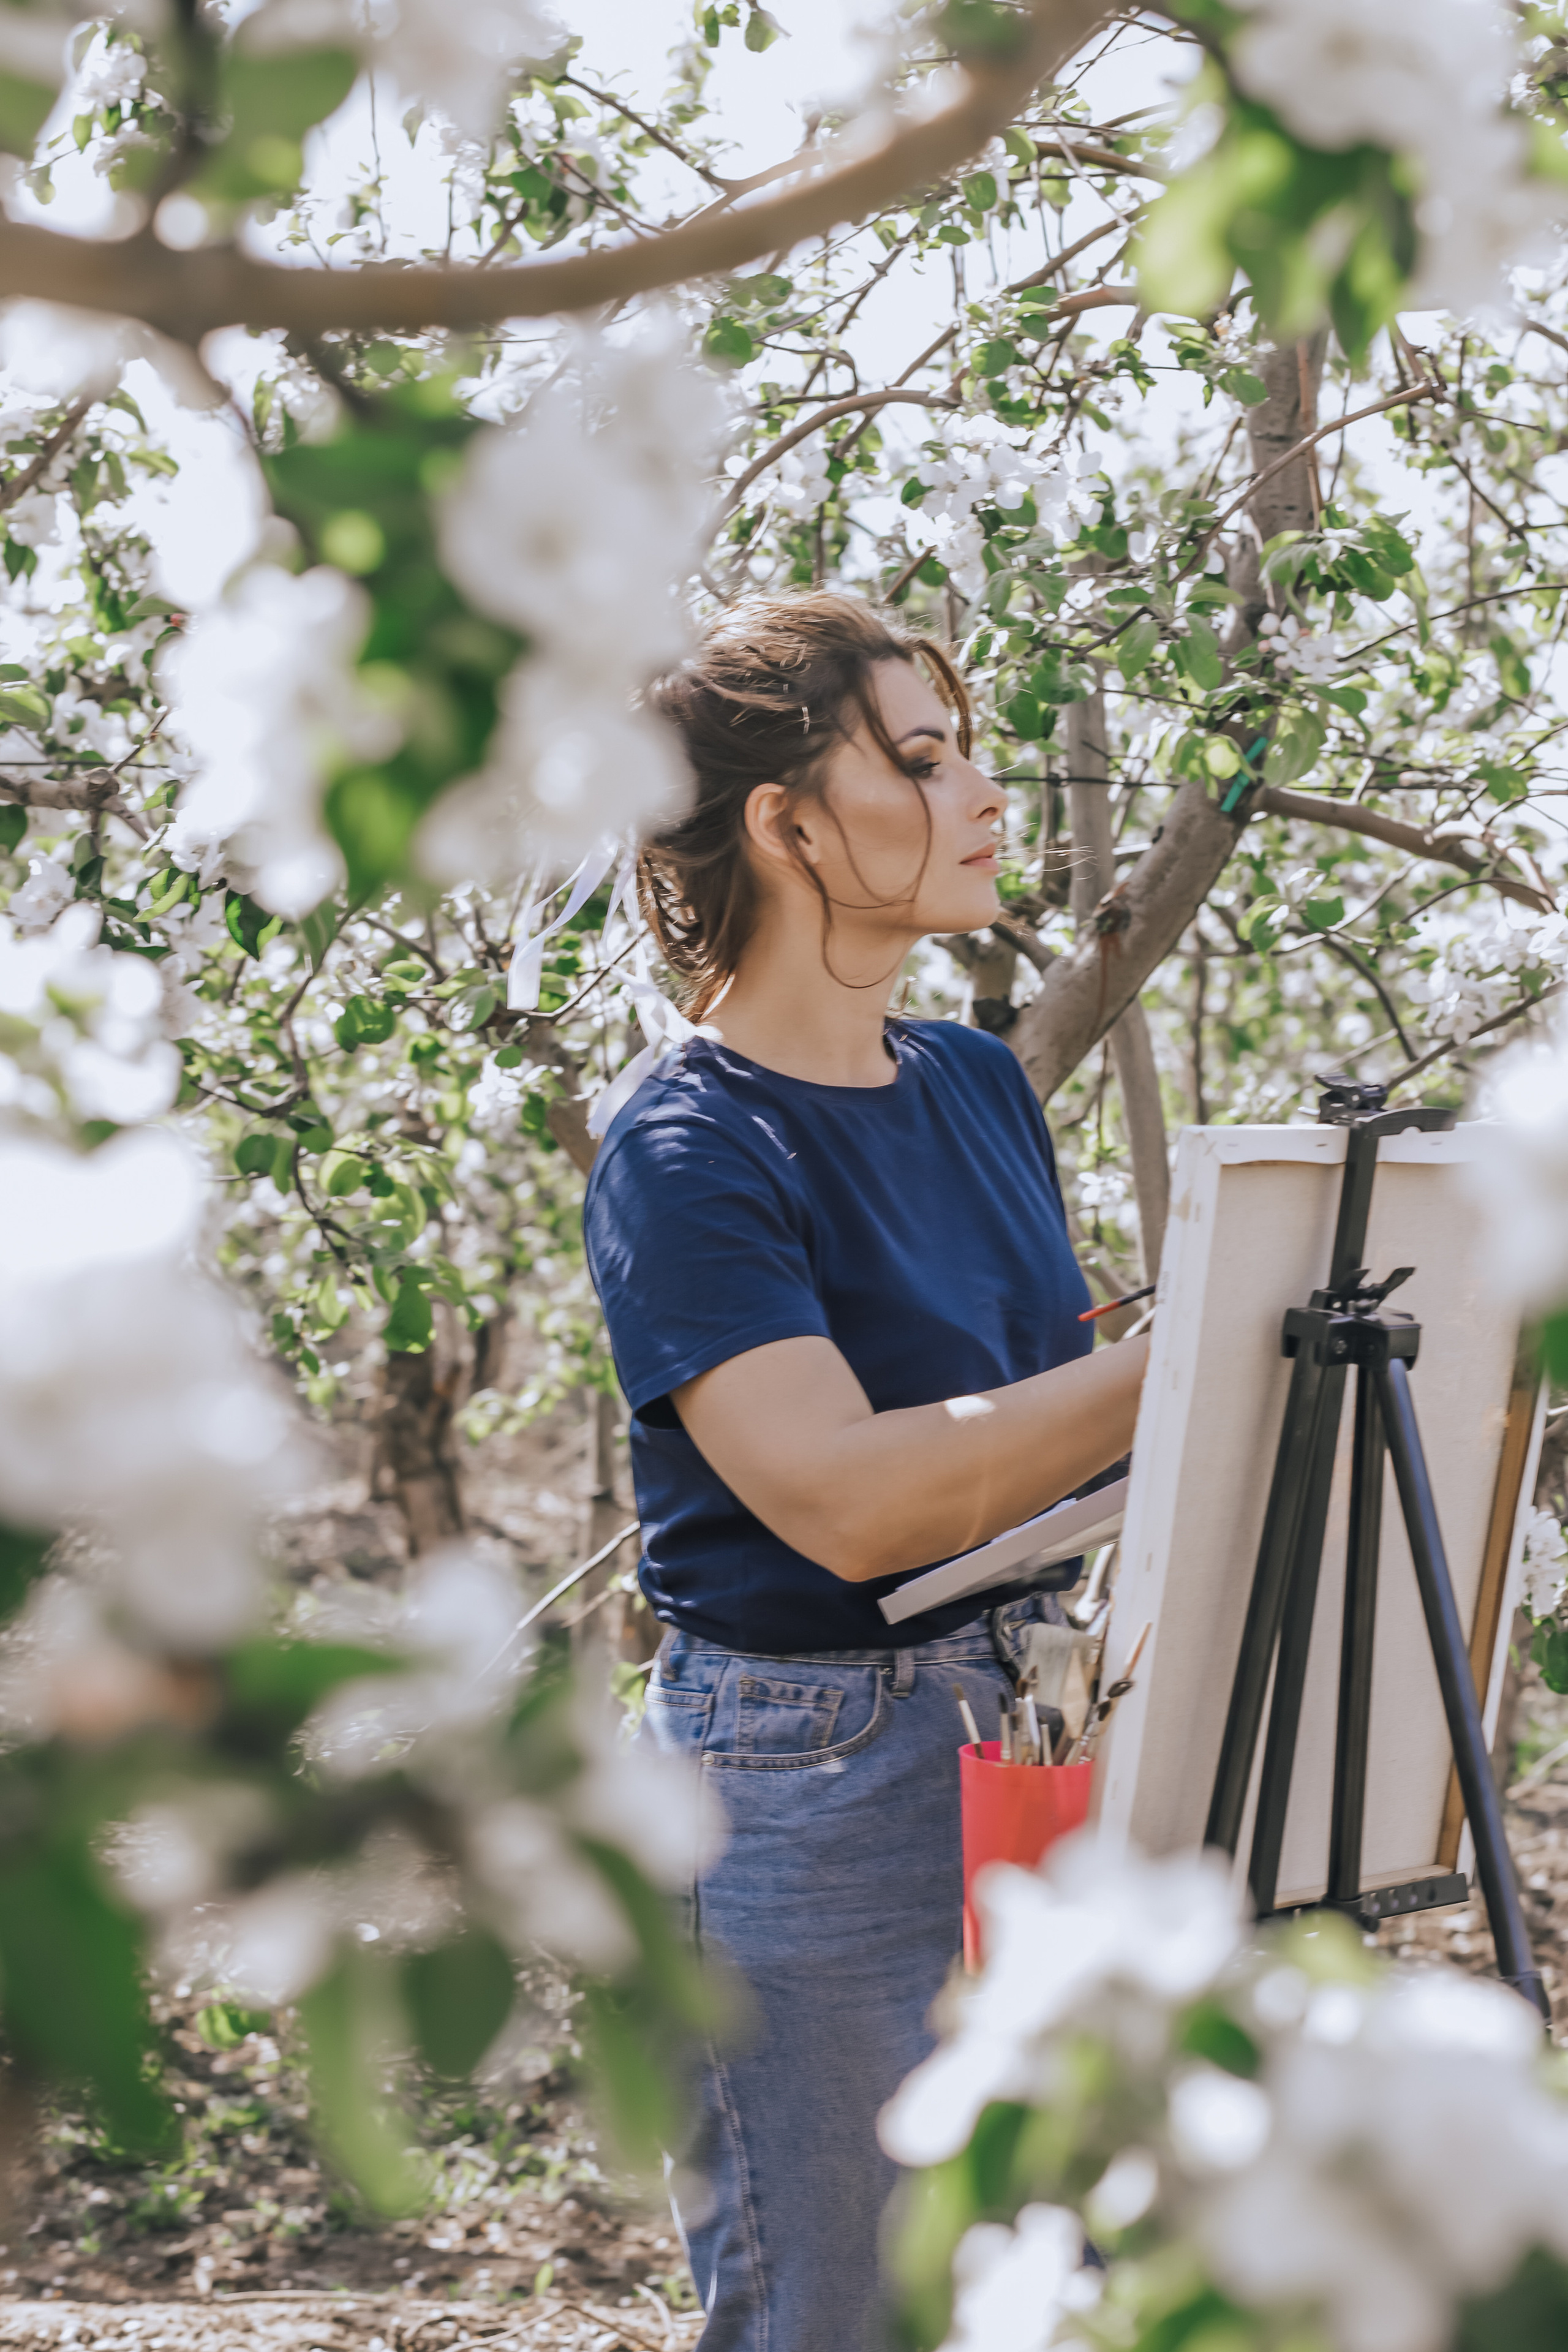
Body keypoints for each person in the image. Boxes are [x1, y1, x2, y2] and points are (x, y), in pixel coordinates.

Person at [582, 591, 1148, 2352]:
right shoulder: (685, 1146)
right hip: (807, 1778)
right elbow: (850, 1496)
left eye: (966, 749)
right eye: (918, 757)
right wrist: (1185, 1357)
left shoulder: (979, 1085)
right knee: (839, 2313)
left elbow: (1025, 1417)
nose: (980, 791)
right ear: (785, 823)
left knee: (1045, 2295)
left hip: (1035, 1725)